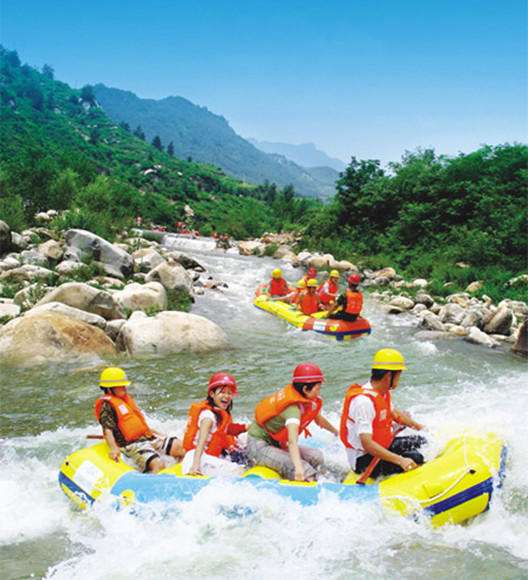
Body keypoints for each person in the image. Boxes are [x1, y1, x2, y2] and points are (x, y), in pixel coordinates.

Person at [339, 348, 426, 477]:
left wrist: (421, 428)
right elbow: (367, 444)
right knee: (415, 457)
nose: (399, 379)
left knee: (421, 440)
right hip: (363, 459)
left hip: (382, 445)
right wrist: (401, 460)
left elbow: (396, 415)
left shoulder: (381, 393)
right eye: (399, 375)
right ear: (388, 376)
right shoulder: (363, 402)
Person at [246, 363, 338, 481]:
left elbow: (318, 419)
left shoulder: (306, 401)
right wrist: (299, 470)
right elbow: (292, 442)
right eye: (318, 388)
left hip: (277, 444)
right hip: (259, 446)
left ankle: (331, 480)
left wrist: (336, 432)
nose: (319, 392)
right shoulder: (292, 410)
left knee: (317, 457)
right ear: (305, 389)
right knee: (305, 470)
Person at [95, 367, 184, 473]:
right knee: (158, 465)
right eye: (120, 386)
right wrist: (114, 448)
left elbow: (137, 424)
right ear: (109, 389)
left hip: (146, 438)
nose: (124, 388)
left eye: (124, 385)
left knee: (180, 447)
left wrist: (156, 433)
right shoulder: (106, 406)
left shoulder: (125, 400)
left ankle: (182, 474)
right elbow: (107, 430)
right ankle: (155, 485)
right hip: (131, 445)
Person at [182, 372, 247, 476]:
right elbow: (201, 443)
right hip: (197, 459)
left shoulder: (218, 413)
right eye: (222, 392)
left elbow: (226, 430)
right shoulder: (208, 417)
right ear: (212, 394)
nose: (226, 396)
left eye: (229, 393)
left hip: (206, 457)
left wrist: (246, 427)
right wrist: (195, 467)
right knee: (240, 471)